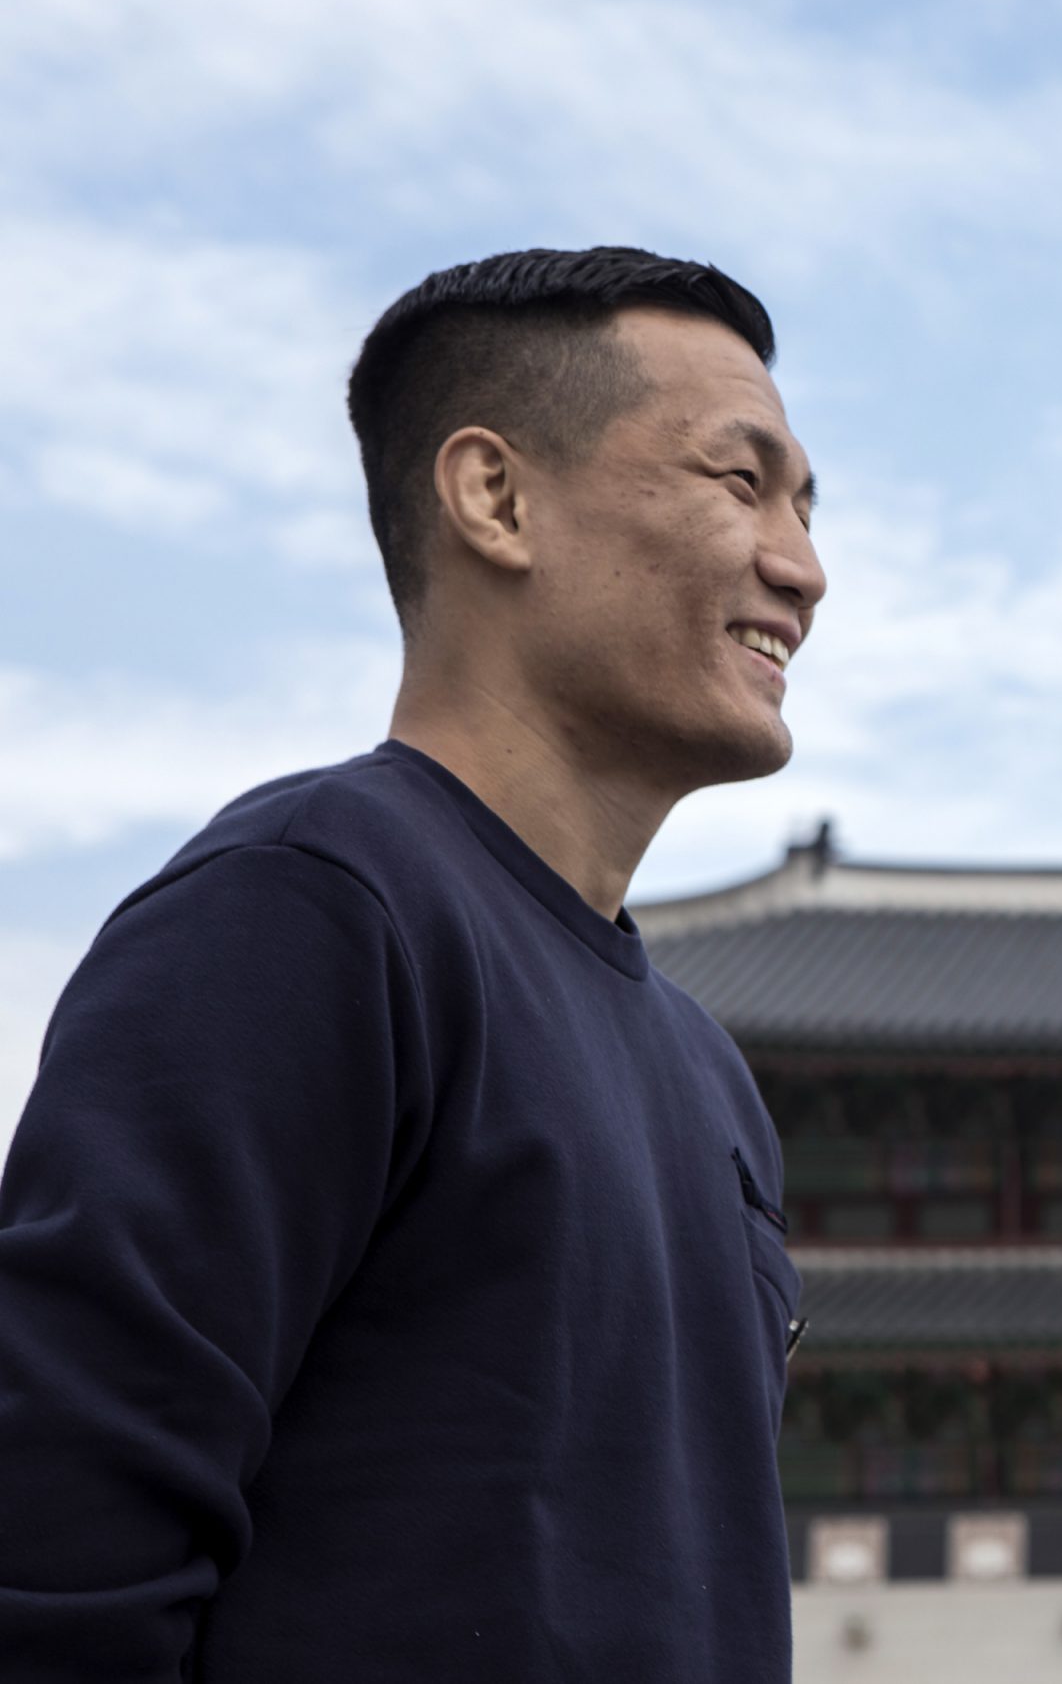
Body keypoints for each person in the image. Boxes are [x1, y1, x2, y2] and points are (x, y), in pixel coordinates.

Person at [0, 246, 826, 1680]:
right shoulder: (309, 913)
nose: (802, 568)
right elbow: (57, 1546)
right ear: (495, 498)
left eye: (808, 506)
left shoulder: (709, 1079)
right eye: (738, 482)